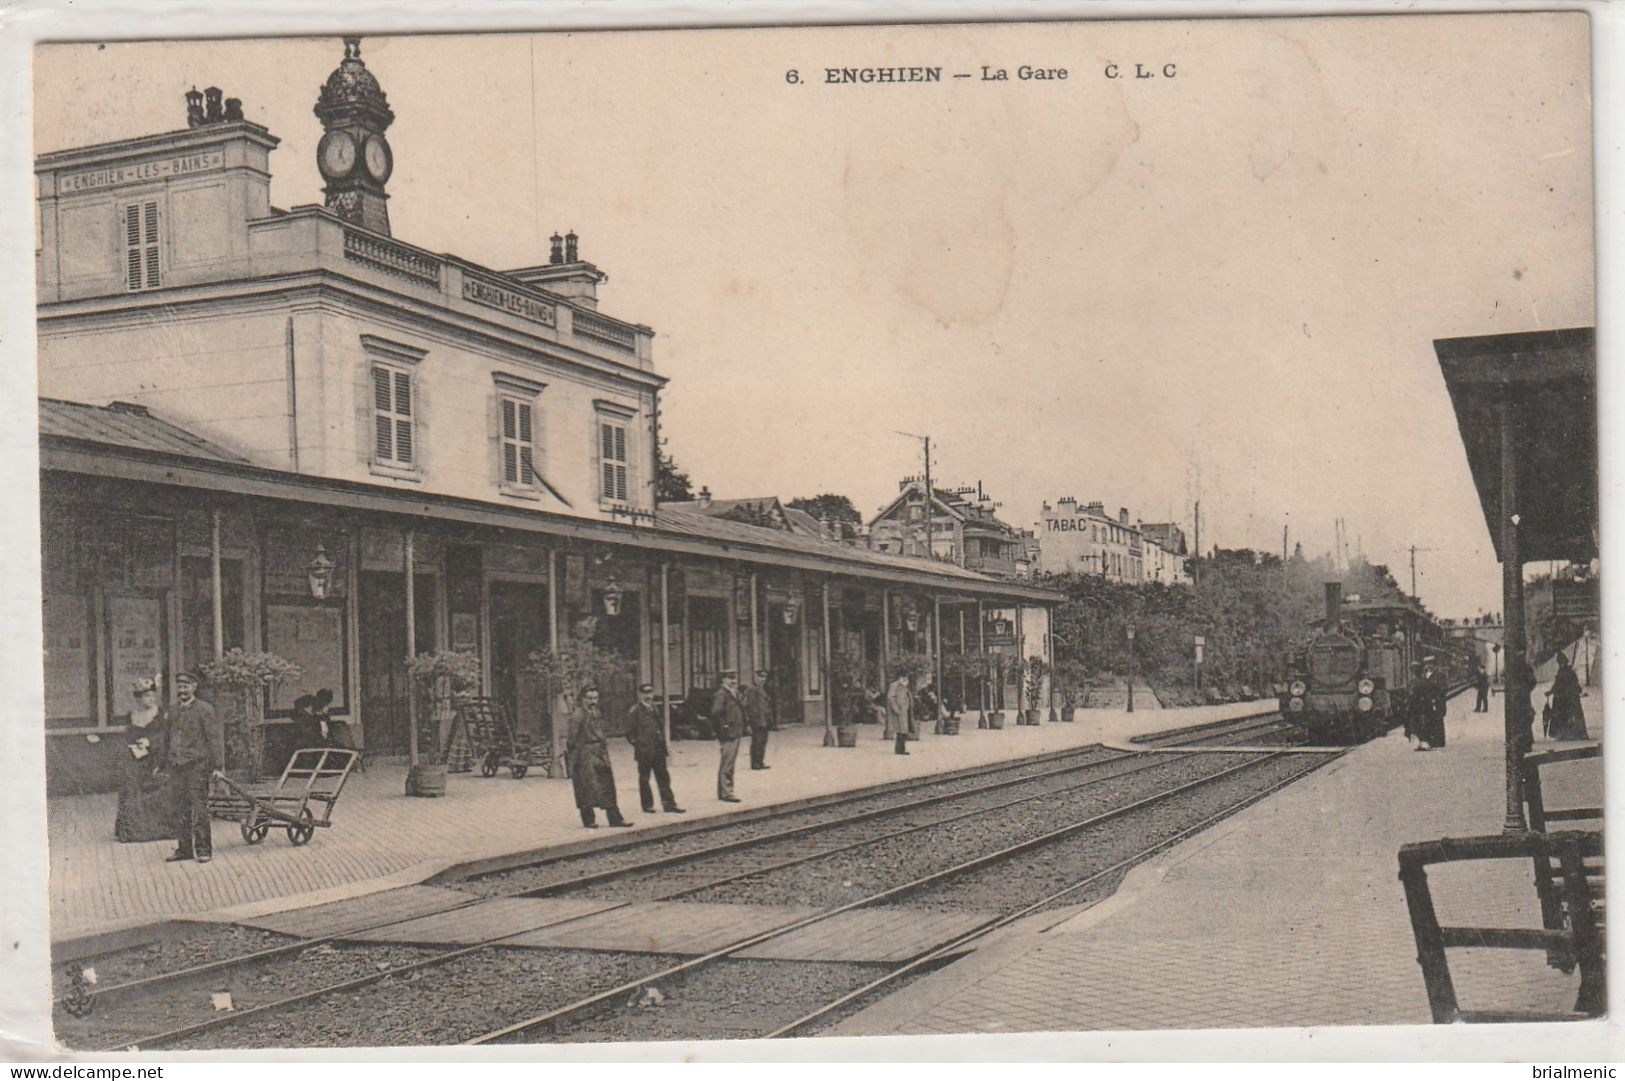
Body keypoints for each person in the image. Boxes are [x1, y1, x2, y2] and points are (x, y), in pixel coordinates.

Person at [164, 670, 223, 864]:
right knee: (180, 809)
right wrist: (165, 763)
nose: (182, 690)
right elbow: (167, 739)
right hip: (176, 766)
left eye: (186, 686)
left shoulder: (205, 709)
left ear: (194, 687)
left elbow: (213, 739)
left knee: (199, 808)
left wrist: (217, 766)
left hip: (197, 766)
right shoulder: (173, 711)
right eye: (179, 686)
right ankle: (184, 849)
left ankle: (204, 849)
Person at [115, 677, 174, 843]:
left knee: (157, 788)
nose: (151, 699)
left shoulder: (161, 715)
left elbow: (167, 736)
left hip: (157, 757)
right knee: (132, 787)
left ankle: (159, 829)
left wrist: (150, 742)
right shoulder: (131, 716)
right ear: (138, 698)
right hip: (136, 758)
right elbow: (127, 737)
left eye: (152, 695)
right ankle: (134, 830)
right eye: (147, 696)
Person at [568, 686, 631, 828]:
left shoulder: (596, 713)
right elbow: (571, 739)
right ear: (582, 699)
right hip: (585, 754)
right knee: (587, 788)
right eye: (589, 698)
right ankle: (589, 820)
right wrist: (577, 759)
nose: (593, 701)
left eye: (595, 698)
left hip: (600, 753)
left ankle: (615, 819)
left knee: (607, 785)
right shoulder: (578, 715)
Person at [625, 683, 684, 814]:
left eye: (650, 692)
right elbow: (629, 733)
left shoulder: (654, 708)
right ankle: (647, 805)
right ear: (640, 694)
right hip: (644, 751)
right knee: (645, 779)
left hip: (658, 750)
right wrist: (640, 745)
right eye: (645, 693)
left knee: (663, 777)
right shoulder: (635, 711)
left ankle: (669, 804)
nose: (648, 696)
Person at [711, 671, 746, 802]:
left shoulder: (733, 693)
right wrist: (724, 727)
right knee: (727, 763)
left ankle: (726, 791)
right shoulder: (721, 694)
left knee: (730, 763)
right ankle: (726, 792)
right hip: (728, 732)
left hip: (735, 731)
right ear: (723, 680)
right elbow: (715, 713)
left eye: (735, 678)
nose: (733, 681)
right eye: (730, 678)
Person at [1545, 652, 1589, 741]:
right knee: (1573, 715)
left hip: (1563, 699)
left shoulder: (1562, 672)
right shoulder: (1570, 672)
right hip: (1571, 698)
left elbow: (1558, 685)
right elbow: (1575, 685)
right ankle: (1576, 733)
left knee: (1563, 716)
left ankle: (1565, 734)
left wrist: (1550, 692)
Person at [743, 668, 774, 770]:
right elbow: (749, 706)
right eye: (760, 677)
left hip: (764, 719)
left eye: (764, 677)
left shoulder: (764, 689)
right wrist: (750, 720)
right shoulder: (752, 690)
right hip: (757, 720)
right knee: (757, 741)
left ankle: (760, 762)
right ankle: (755, 763)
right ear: (755, 677)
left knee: (762, 742)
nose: (762, 679)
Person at [886, 673, 915, 756]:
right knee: (900, 730)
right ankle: (899, 749)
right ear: (899, 677)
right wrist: (896, 709)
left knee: (904, 730)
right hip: (899, 711)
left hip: (905, 711)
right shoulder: (894, 685)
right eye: (903, 677)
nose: (905, 678)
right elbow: (890, 697)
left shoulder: (905, 686)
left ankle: (902, 749)